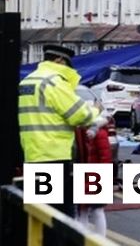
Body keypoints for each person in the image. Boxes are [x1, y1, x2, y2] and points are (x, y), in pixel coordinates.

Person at [18, 45, 104, 218]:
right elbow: (80, 115)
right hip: (55, 155)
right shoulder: (54, 82)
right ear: (59, 60)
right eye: (68, 65)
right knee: (60, 217)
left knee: (39, 214)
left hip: (33, 153)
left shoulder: (27, 81)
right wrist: (96, 110)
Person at [74, 99, 112, 236]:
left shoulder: (95, 133)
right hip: (90, 175)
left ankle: (96, 240)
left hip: (95, 175)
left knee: (91, 211)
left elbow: (105, 156)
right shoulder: (85, 131)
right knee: (89, 211)